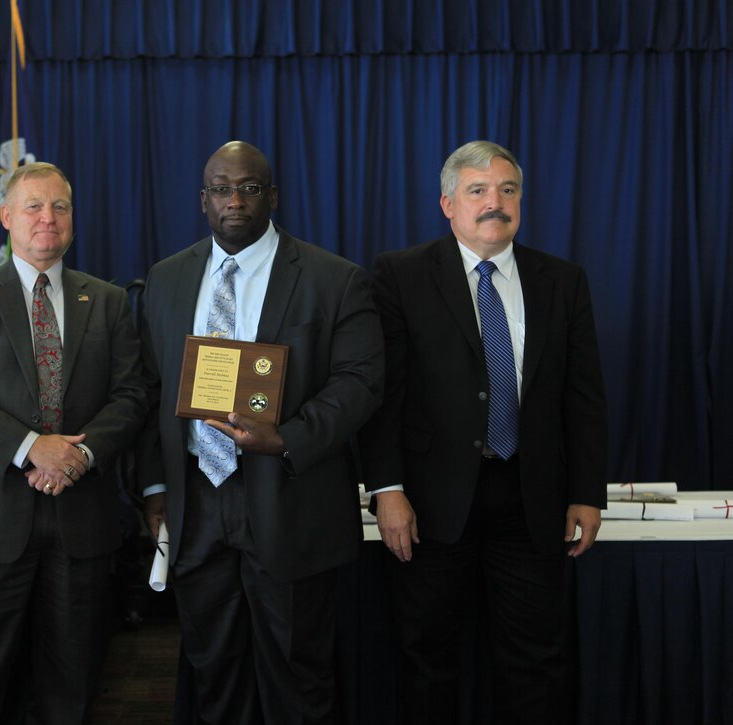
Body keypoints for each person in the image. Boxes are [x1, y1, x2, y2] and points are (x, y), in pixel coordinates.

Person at [360, 140, 608, 724]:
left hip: (531, 499)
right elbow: (383, 394)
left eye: (508, 190)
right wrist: (386, 489)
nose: (495, 203)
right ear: (448, 204)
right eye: (478, 191)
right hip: (429, 503)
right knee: (426, 660)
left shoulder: (563, 280)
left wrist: (587, 492)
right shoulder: (400, 275)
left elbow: (585, 397)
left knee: (536, 661)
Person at [137, 140, 383, 724]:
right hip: (198, 500)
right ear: (203, 201)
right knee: (213, 672)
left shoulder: (333, 278)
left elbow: (361, 383)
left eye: (249, 188)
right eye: (221, 189)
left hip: (291, 498)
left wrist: (288, 436)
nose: (235, 201)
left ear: (271, 196)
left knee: (297, 676)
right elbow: (146, 391)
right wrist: (153, 489)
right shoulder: (167, 279)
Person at [0, 162, 149, 724]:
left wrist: (78, 455)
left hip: (82, 520)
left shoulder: (109, 301)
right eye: (33, 206)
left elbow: (131, 397)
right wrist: (32, 447)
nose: (48, 218)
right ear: (6, 217)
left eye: (60, 207)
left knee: (72, 686)